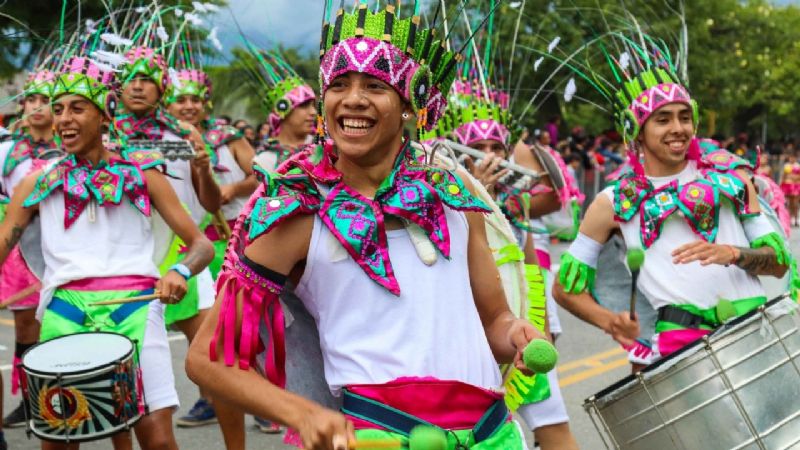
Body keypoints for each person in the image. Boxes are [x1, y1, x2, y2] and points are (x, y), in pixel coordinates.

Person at [187, 4, 543, 450]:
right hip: (376, 440)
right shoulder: (298, 213)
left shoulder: (454, 195)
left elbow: (495, 319)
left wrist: (516, 336)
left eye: (375, 85)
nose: (353, 99)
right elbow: (208, 359)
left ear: (412, 105)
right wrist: (303, 413)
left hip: (495, 436)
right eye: (339, 85)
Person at [0, 55, 214, 450]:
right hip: (65, 313)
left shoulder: (143, 173)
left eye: (77, 108)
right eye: (58, 108)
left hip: (135, 307)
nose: (64, 118)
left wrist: (179, 273)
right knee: (60, 439)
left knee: (158, 439)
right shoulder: (37, 182)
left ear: (104, 115)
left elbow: (201, 245)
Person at [553, 40, 790, 368]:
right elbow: (564, 289)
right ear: (637, 130)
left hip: (754, 331)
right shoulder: (614, 201)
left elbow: (779, 263)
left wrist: (733, 254)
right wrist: (611, 322)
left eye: (684, 117)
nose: (678, 129)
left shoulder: (731, 178)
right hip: (678, 349)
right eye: (662, 120)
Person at [442, 76, 579, 450]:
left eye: (497, 147)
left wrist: (543, 331)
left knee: (554, 425)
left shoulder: (517, 204)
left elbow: (530, 274)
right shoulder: (440, 203)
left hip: (519, 331)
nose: (490, 156)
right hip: (468, 341)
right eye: (476, 147)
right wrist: (472, 192)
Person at [163, 60, 259, 441]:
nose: (187, 106)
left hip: (226, 241)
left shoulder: (225, 137)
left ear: (205, 102)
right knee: (204, 343)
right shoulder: (154, 140)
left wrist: (231, 191)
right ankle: (211, 397)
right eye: (178, 99)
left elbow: (257, 176)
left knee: (230, 339)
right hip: (178, 246)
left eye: (194, 99)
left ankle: (251, 400)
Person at [0, 69, 60, 430]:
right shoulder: (8, 152)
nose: (37, 107)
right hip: (19, 249)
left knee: (54, 324)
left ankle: (58, 399)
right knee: (25, 328)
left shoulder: (69, 149)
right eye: (31, 100)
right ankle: (29, 399)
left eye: (45, 100)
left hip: (57, 248)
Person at [242, 47, 316, 171]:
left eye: (313, 105)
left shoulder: (325, 146)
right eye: (304, 106)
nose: (313, 112)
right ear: (282, 111)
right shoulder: (264, 161)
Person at [780, 152, 800, 226]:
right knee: (789, 204)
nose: (792, 159)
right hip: (788, 185)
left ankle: (796, 218)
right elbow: (783, 176)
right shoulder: (786, 166)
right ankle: (790, 219)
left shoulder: (798, 166)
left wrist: (795, 178)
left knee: (795, 203)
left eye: (793, 157)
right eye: (791, 157)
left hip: (796, 186)